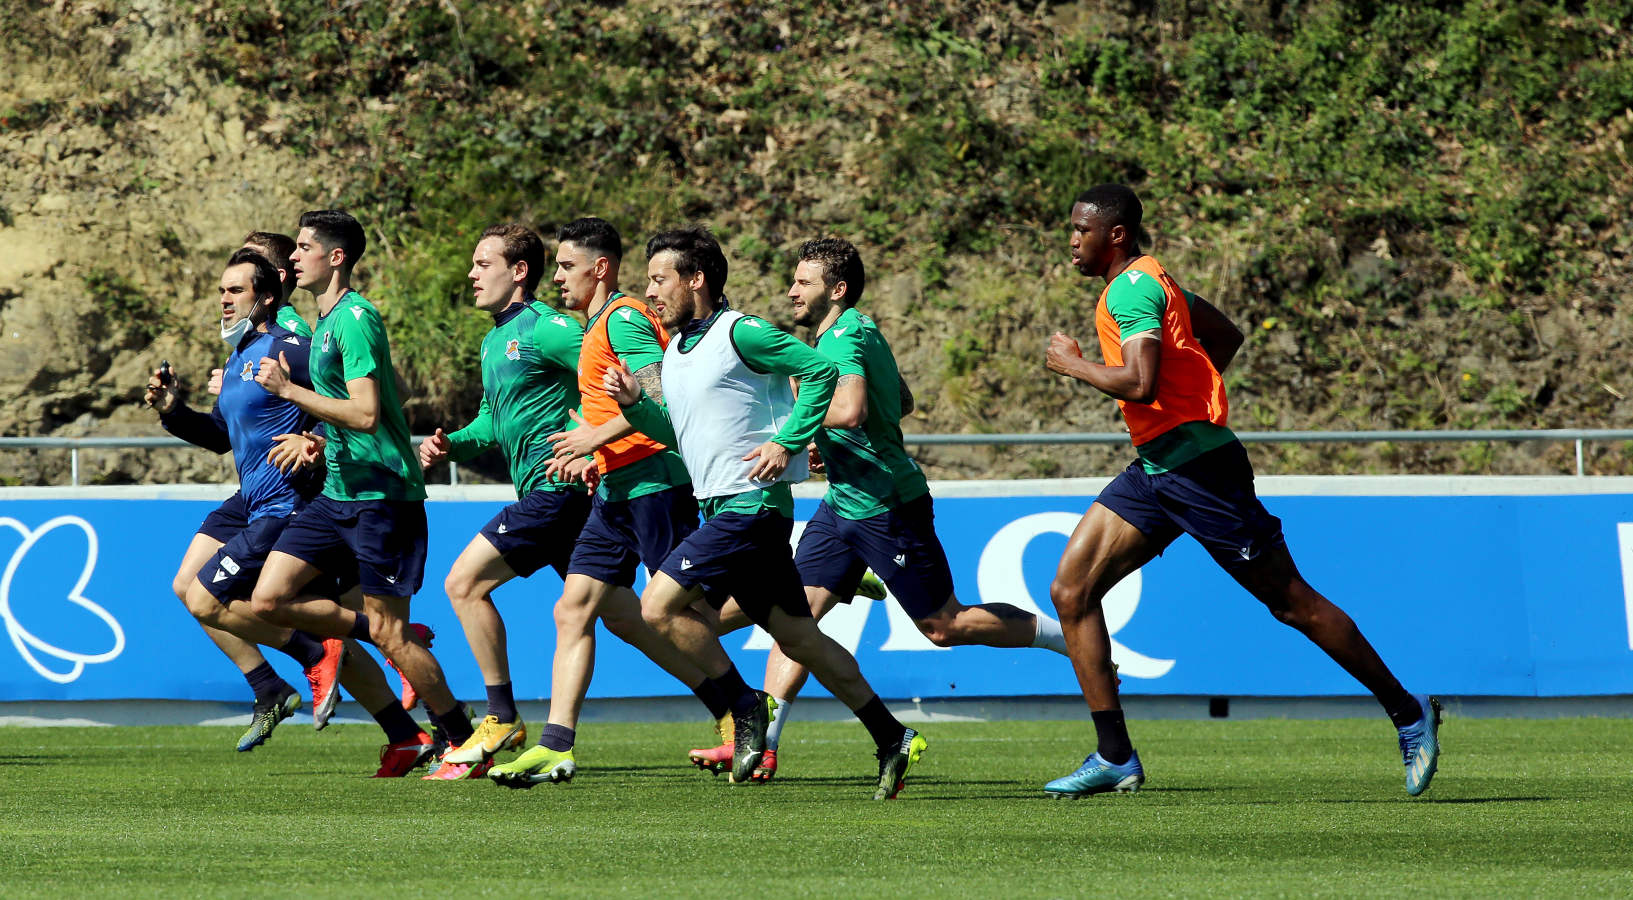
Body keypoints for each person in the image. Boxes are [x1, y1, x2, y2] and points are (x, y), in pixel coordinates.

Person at [1041, 184, 1441, 797]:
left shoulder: (1132, 290)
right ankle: (1115, 756)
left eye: (1081, 229)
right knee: (1072, 590)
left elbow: (1141, 383)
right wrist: (1187, 397)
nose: (1072, 240)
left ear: (1114, 234)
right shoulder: (1156, 280)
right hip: (1158, 467)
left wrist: (1074, 364)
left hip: (1202, 473)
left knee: (1293, 604)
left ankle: (1409, 712)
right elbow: (1223, 336)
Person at [691, 238, 1072, 780]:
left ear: (837, 289)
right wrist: (829, 441)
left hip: (886, 506)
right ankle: (763, 746)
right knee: (797, 622)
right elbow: (900, 400)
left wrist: (795, 428)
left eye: (803, 282)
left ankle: (1069, 639)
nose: (791, 291)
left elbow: (849, 408)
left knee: (944, 626)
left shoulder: (846, 335)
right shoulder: (847, 334)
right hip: (841, 503)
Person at [602, 226, 926, 799]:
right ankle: (891, 734)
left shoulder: (742, 332)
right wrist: (635, 406)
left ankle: (744, 704)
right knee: (800, 638)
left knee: (656, 606)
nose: (649, 292)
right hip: (721, 508)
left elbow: (822, 374)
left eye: (659, 279)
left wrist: (787, 441)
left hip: (751, 507)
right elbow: (678, 435)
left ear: (696, 279)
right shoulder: (675, 352)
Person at [485, 217, 726, 788]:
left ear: (600, 268)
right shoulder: (593, 326)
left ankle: (756, 673)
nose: (557, 277)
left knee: (689, 613)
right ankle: (555, 747)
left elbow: (662, 401)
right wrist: (596, 453)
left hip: (654, 485)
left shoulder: (621, 318)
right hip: (614, 491)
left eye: (566, 266)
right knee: (573, 610)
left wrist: (594, 438)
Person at [148, 249, 414, 762]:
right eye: (222, 291)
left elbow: (362, 401)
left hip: (292, 503)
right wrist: (173, 411)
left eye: (236, 290)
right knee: (205, 593)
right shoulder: (240, 355)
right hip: (256, 502)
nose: (224, 300)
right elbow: (223, 436)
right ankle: (405, 732)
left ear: (268, 295)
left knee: (210, 600)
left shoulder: (290, 344)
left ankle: (329, 658)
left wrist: (314, 439)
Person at [242, 209, 471, 777]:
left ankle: (462, 737)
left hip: (381, 496)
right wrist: (317, 437)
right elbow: (368, 404)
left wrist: (289, 391)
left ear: (336, 257)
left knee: (391, 634)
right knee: (268, 600)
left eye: (304, 248)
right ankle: (385, 637)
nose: (294, 257)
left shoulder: (355, 318)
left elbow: (367, 413)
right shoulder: (324, 322)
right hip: (338, 492)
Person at [414, 224, 593, 781]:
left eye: (482, 263)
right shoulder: (495, 340)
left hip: (558, 491)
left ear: (518, 271)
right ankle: (733, 706)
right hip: (552, 496)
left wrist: (592, 441)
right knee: (631, 617)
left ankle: (501, 717)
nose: (471, 274)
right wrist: (452, 443)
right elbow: (494, 421)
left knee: (463, 584)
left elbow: (615, 376)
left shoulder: (549, 328)